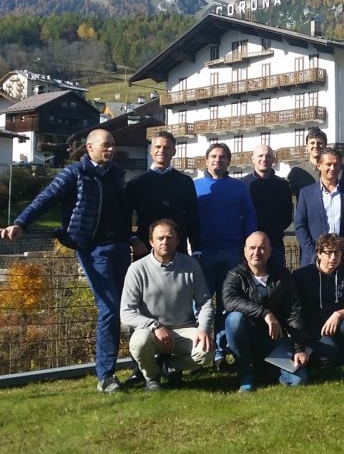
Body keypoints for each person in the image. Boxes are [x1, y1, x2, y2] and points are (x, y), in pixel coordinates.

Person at [1, 129, 131, 393]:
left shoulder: (116, 175)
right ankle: (106, 376)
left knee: (124, 308)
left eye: (113, 145)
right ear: (90, 147)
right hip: (94, 250)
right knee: (108, 309)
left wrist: (131, 237)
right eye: (106, 145)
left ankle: (133, 367)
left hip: (120, 248)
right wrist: (21, 223)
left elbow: (121, 212)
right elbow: (45, 198)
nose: (111, 150)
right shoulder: (75, 173)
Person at [119, 220, 214, 391]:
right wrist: (155, 325)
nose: (165, 242)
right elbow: (126, 312)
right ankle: (152, 377)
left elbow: (205, 301)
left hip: (184, 329)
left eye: (170, 238)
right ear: (151, 242)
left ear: (177, 241)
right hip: (151, 332)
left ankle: (170, 366)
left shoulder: (191, 265)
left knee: (206, 352)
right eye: (160, 238)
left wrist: (204, 329)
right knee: (139, 342)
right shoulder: (137, 269)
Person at [192, 142, 258, 367]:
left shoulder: (239, 188)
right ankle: (198, 351)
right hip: (202, 253)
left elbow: (250, 218)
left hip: (232, 252)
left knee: (226, 304)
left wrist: (247, 250)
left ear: (229, 161)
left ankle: (220, 352)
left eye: (222, 157)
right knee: (199, 304)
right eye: (213, 156)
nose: (217, 160)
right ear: (206, 160)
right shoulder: (195, 186)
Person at [222, 231, 309, 391]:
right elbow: (229, 301)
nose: (257, 252)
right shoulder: (235, 276)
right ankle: (246, 374)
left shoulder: (282, 276)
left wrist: (299, 348)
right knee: (234, 319)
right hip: (247, 338)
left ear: (269, 252)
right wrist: (265, 313)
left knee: (298, 380)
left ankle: (265, 369)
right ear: (245, 251)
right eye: (252, 248)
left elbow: (293, 312)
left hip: (276, 340)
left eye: (262, 248)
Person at [292, 234, 344, 372]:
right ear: (318, 253)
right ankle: (329, 359)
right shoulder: (302, 275)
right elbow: (294, 309)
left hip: (340, 323)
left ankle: (343, 360)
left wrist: (338, 314)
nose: (333, 257)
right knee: (328, 353)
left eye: (337, 253)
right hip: (314, 328)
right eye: (328, 253)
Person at [126, 130, 200, 258]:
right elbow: (125, 215)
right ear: (151, 150)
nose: (162, 150)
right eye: (158, 147)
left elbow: (192, 217)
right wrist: (133, 240)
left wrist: (196, 248)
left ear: (174, 152)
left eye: (167, 147)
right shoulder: (137, 182)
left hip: (177, 247)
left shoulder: (185, 181)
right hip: (145, 247)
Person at [294, 148, 344, 267]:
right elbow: (300, 226)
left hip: (343, 260)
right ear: (319, 165)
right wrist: (314, 254)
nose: (332, 168)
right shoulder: (306, 193)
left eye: (336, 164)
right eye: (328, 164)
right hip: (314, 261)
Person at [242, 144, 293, 271]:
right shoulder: (242, 185)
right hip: (249, 246)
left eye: (268, 156)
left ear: (273, 159)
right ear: (253, 158)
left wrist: (273, 230)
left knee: (277, 283)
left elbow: (287, 216)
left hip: (274, 244)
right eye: (260, 156)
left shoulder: (282, 185)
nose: (264, 159)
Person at [287, 126, 344, 196]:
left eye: (319, 143)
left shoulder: (339, 168)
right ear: (307, 146)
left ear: (325, 145)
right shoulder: (297, 171)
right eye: (312, 143)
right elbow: (283, 193)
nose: (316, 146)